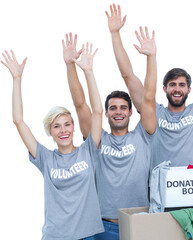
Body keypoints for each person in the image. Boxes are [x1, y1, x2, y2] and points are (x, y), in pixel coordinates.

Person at [106, 2, 193, 169]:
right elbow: (128, 76)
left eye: (181, 85)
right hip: (160, 190)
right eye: (172, 85)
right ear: (164, 89)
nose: (177, 89)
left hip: (192, 188)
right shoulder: (154, 112)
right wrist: (115, 34)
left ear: (189, 90)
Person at [2, 44, 104, 239]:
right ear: (50, 131)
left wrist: (89, 72)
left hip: (88, 235)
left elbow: (98, 112)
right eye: (57, 126)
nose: (63, 130)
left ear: (74, 127)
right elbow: (18, 120)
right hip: (56, 235)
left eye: (67, 124)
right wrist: (17, 79)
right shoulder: (45, 158)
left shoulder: (88, 150)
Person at [63, 27, 157, 239]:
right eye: (113, 108)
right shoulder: (98, 140)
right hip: (104, 227)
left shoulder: (143, 135)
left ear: (131, 112)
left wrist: (151, 58)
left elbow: (149, 98)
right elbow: (80, 105)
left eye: (123, 108)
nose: (118, 112)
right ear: (105, 113)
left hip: (140, 224)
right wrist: (70, 65)